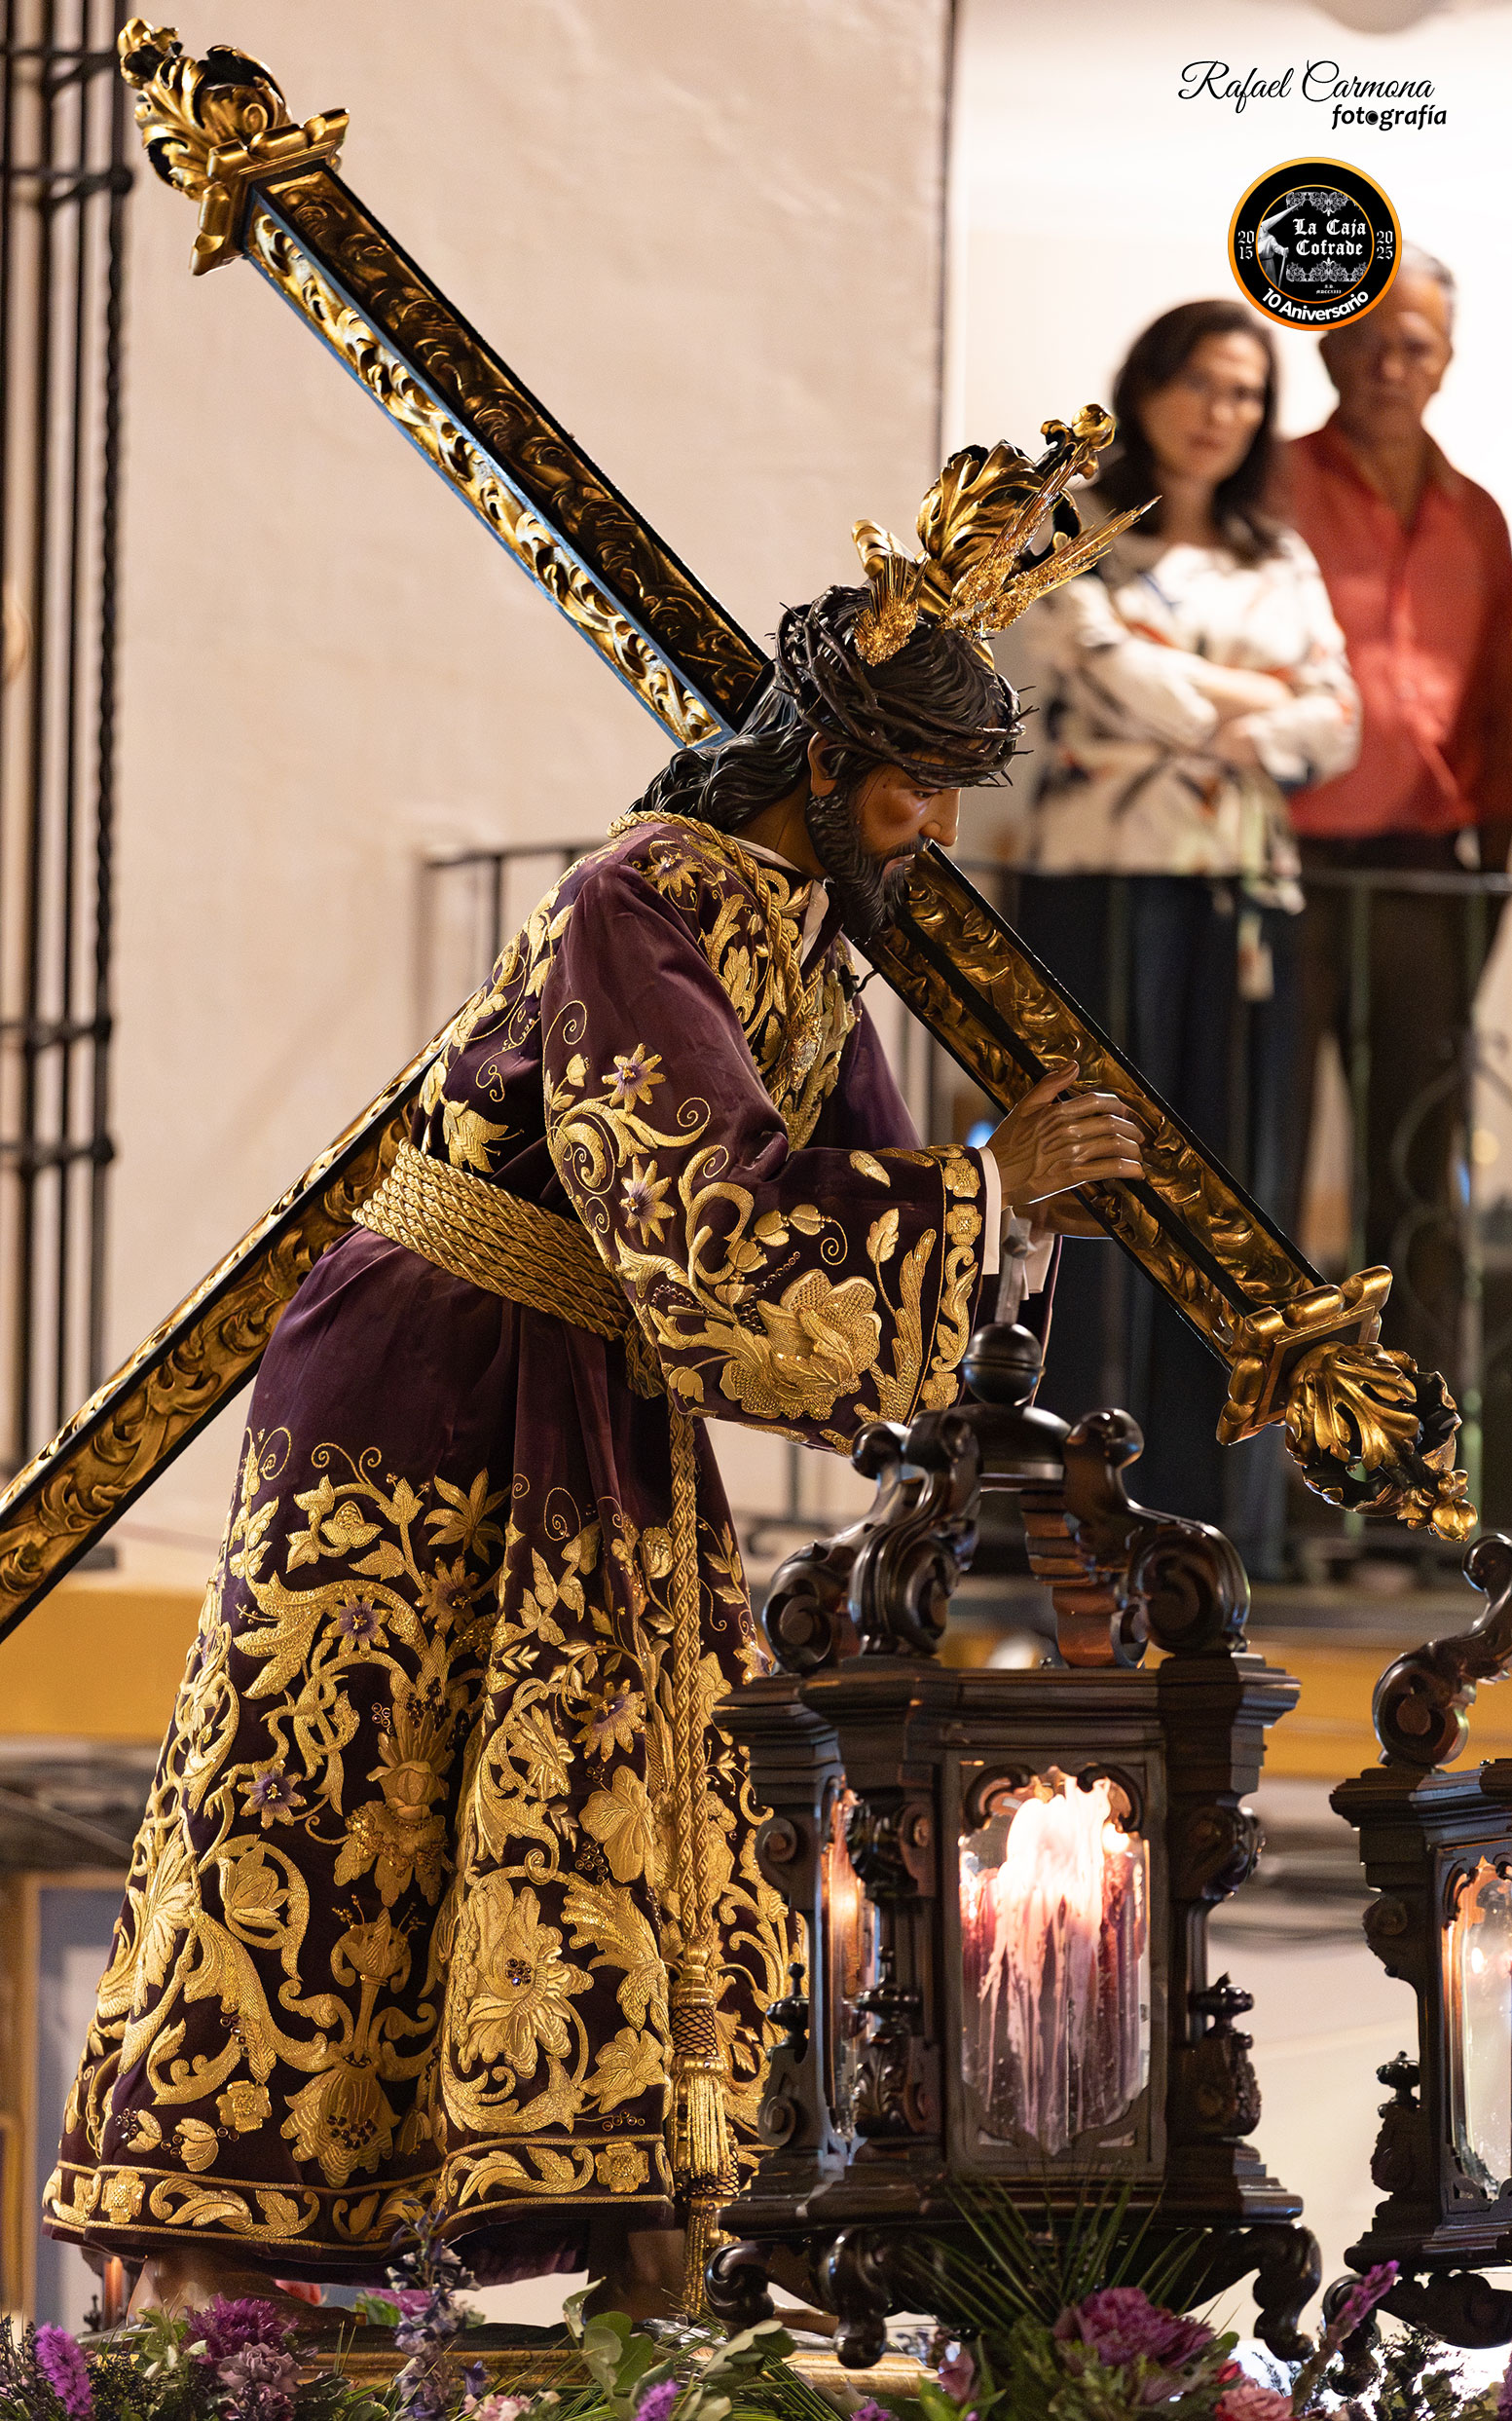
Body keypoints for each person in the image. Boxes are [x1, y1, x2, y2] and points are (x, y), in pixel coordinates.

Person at [42, 541, 1142, 2322]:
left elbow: (859, 1199)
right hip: (426, 1377)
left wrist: (1007, 1215)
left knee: (624, 1793)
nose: (934, 829)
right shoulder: (639, 894)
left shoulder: (808, 941)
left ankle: (656, 2224)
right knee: (339, 1783)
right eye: (914, 786)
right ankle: (206, 2251)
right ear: (822, 761)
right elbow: (705, 1218)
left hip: (588, 1385)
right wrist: (980, 1184)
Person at [1014, 300, 1358, 1555]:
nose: (1223, 412)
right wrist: (1251, 700)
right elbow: (1112, 677)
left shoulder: (1278, 553)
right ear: (1146, 385)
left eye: (1246, 392)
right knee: (1094, 1173)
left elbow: (1337, 722)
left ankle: (1213, 1513)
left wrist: (1188, 684)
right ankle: (1068, 1493)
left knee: (1227, 1189)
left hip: (1242, 893)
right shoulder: (1067, 527)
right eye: (1202, 383)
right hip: (1094, 883)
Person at [1280, 247, 1512, 1381]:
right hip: (1280, 866)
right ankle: (1247, 1449)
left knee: (1418, 1165)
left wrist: (1491, 875)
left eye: (1410, 344)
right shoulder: (1270, 485)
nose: (1385, 364)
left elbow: (1496, 706)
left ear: (1444, 362)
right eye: (1365, 341)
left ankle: (1415, 1442)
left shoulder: (1477, 518)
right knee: (1260, 1155)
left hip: (1426, 875)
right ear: (1328, 351)